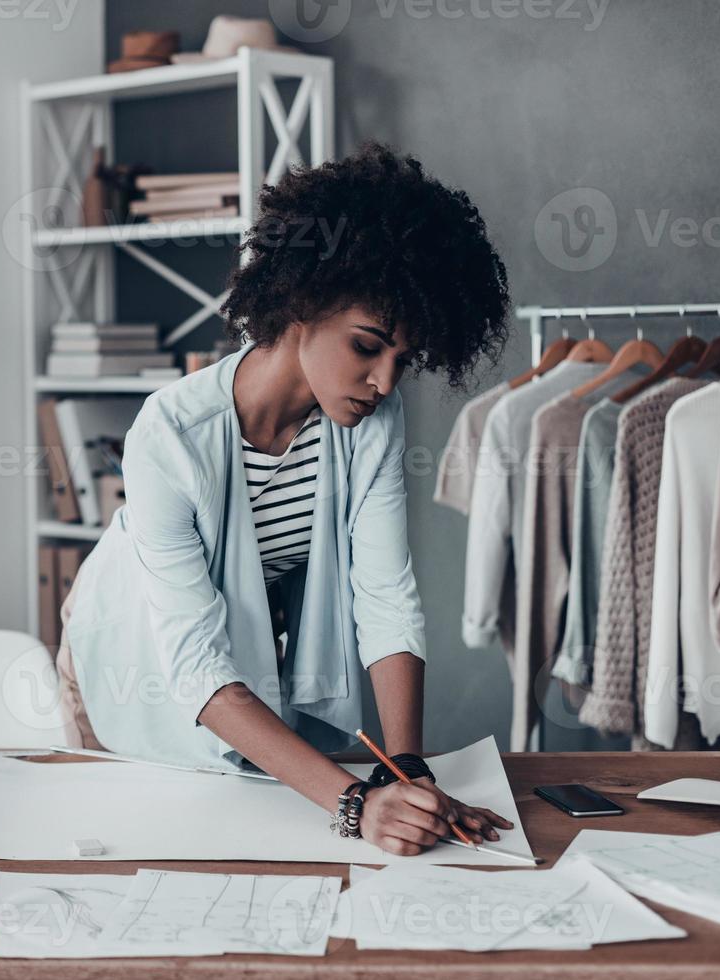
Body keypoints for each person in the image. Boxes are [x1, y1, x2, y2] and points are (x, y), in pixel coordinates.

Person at [54, 142, 514, 856]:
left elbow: (385, 597)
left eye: (403, 360)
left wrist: (407, 773)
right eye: (367, 347)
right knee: (141, 859)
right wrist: (360, 804)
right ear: (302, 302)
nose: (384, 383)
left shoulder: (368, 424)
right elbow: (197, 666)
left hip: (233, 664)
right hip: (127, 654)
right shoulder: (169, 434)